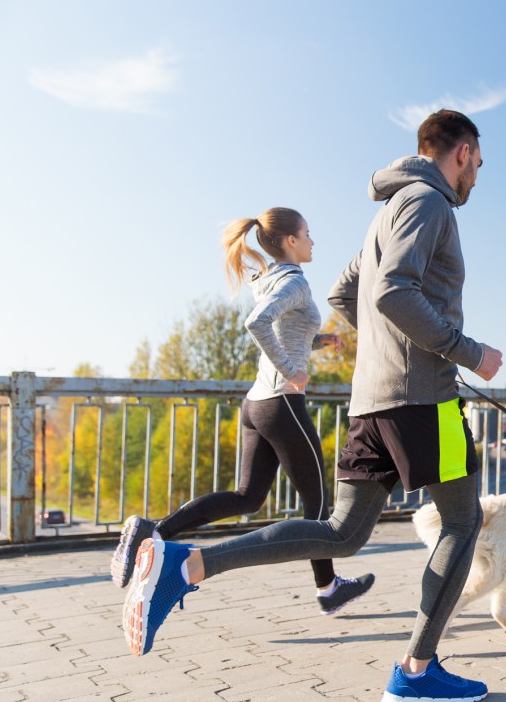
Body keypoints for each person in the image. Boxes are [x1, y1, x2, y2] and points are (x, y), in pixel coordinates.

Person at [122, 110, 503, 702]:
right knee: (460, 523)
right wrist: (466, 353)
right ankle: (416, 671)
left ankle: (186, 564)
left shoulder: (387, 212)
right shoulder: (430, 203)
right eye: (478, 164)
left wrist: (387, 348)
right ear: (461, 152)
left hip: (372, 399)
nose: (477, 177)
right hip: (423, 400)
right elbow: (391, 293)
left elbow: (344, 294)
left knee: (342, 534)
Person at [111, 207, 374, 616]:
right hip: (282, 402)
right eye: (307, 234)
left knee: (248, 496)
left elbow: (283, 328)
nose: (312, 241)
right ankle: (328, 588)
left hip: (257, 404)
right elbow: (259, 323)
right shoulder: (294, 280)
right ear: (290, 241)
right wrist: (292, 371)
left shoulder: (268, 277)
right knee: (319, 503)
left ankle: (153, 532)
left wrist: (318, 341)